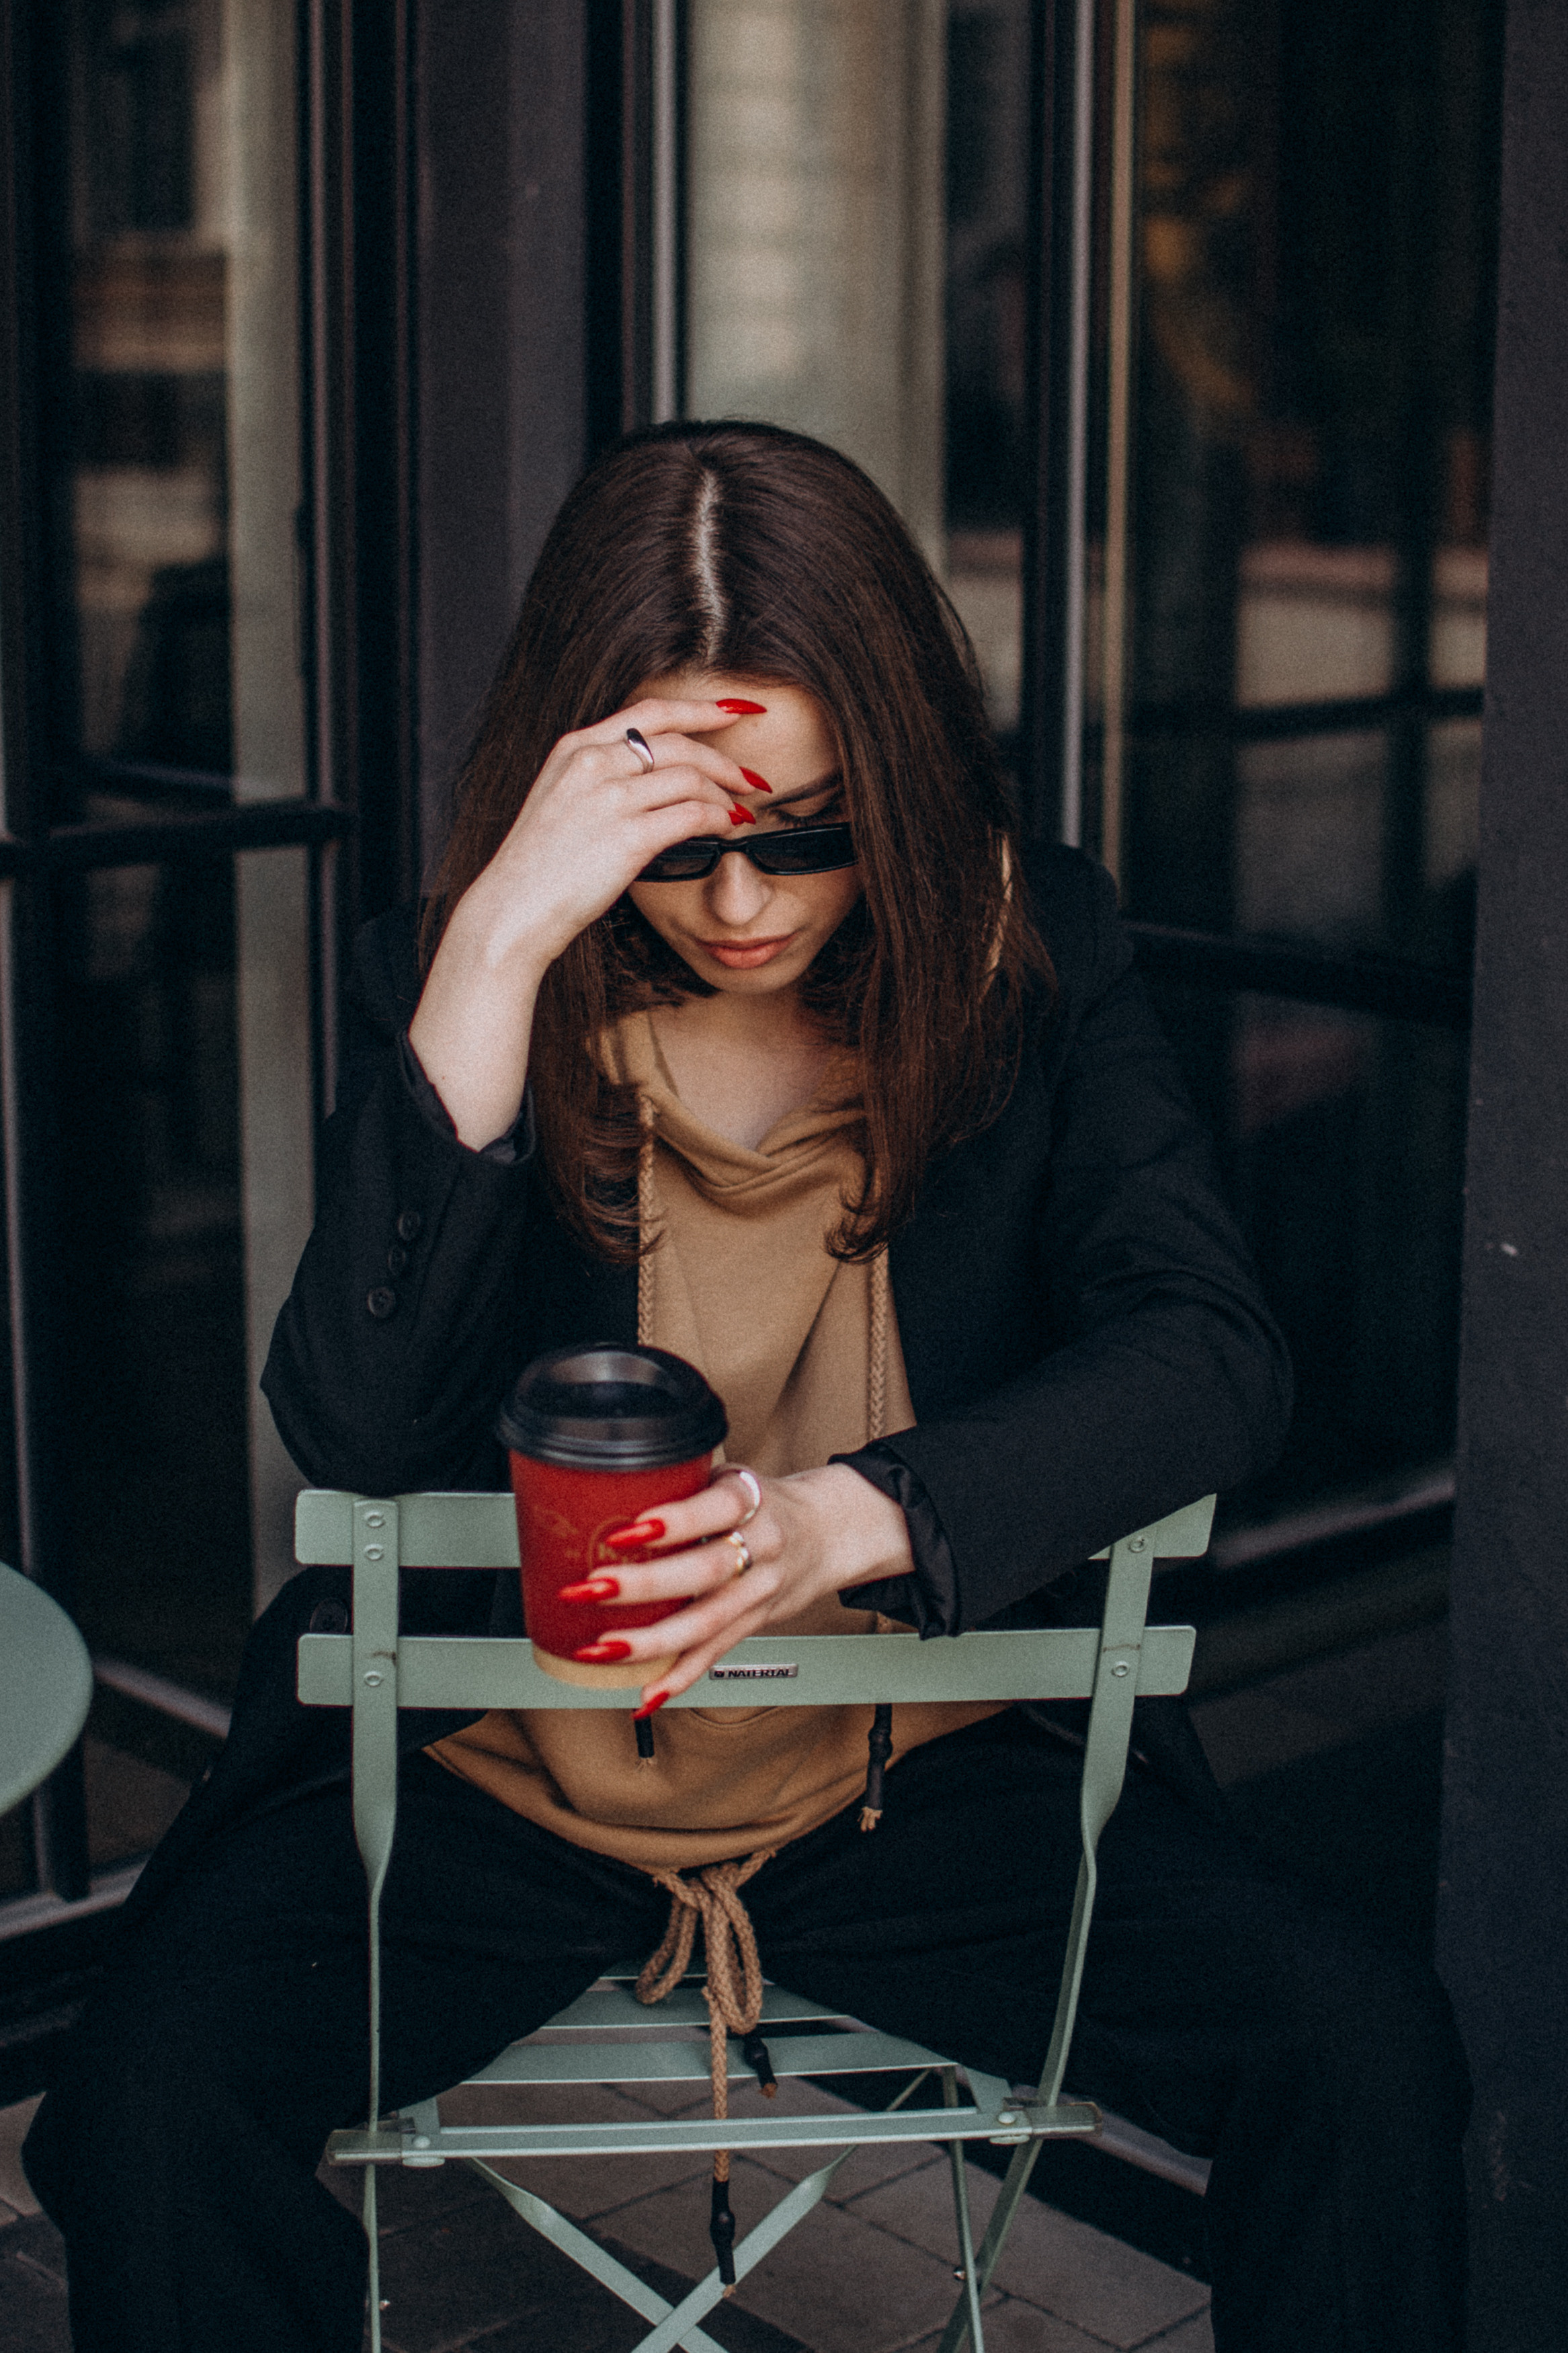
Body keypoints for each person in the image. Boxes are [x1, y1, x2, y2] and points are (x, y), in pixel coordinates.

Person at [25, 420, 1467, 2352]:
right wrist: (496, 946)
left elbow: (1210, 1356)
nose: (737, 901)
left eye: (804, 830)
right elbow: (353, 1427)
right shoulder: (465, 983)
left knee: (1363, 2047)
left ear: (905, 788)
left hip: (913, 1773)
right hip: (500, 1772)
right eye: (672, 843)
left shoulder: (1031, 954)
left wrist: (843, 1521)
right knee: (144, 2111)